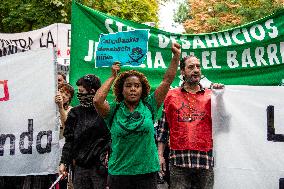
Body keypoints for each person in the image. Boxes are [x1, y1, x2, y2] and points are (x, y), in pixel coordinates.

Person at [93, 42, 181, 189]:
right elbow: (97, 100)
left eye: (137, 86)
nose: (133, 89)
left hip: (146, 173)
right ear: (121, 89)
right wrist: (112, 76)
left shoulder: (150, 105)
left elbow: (167, 81)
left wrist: (176, 57)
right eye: (128, 86)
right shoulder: (113, 110)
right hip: (119, 173)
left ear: (143, 89)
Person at [156, 55, 224, 189]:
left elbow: (223, 123)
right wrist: (160, 156)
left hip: (205, 161)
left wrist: (220, 96)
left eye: (198, 66)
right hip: (178, 162)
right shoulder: (171, 95)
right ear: (182, 71)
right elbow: (163, 128)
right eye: (191, 67)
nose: (196, 70)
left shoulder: (212, 95)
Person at [59, 74, 110, 189]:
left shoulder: (106, 113)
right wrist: (64, 162)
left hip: (99, 169)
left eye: (81, 91)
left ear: (92, 91)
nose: (79, 94)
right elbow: (69, 141)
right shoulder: (75, 113)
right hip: (80, 168)